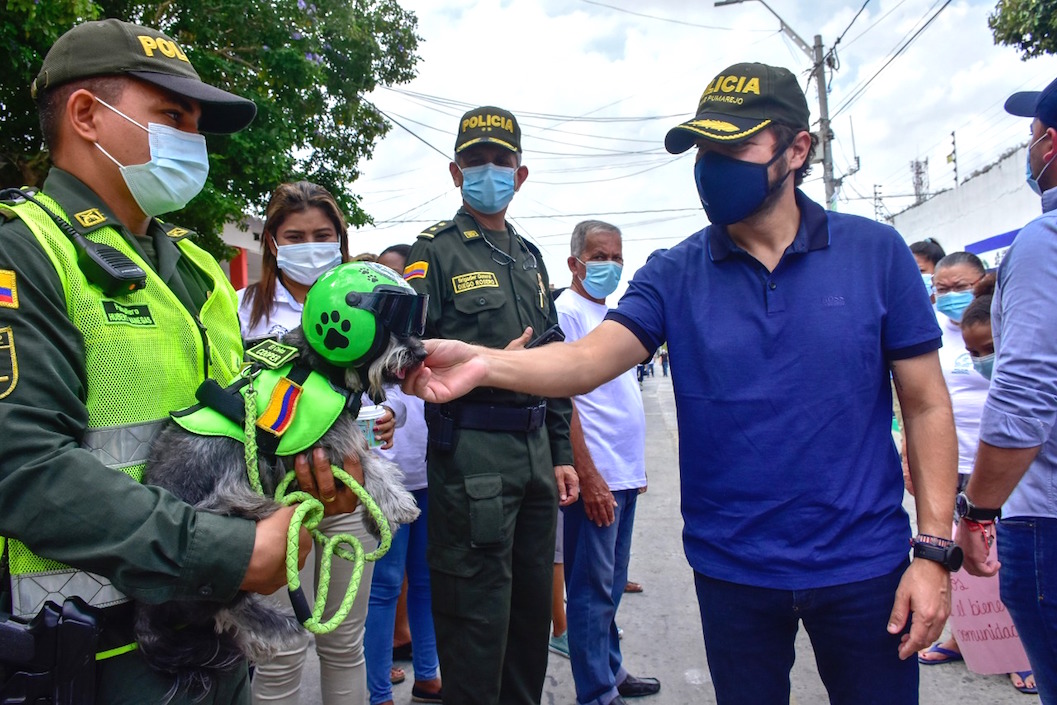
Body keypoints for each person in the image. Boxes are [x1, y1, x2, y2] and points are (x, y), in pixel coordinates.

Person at [403, 62, 960, 705]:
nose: (712, 165)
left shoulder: (876, 253)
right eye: (705, 148)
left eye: (734, 146)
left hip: (866, 567)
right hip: (734, 572)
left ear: (798, 148)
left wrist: (934, 549)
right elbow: (583, 362)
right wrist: (482, 363)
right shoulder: (675, 271)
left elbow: (925, 405)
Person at [0, 19, 361, 703]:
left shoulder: (193, 267)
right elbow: (21, 467)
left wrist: (313, 472)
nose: (192, 142)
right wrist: (229, 555)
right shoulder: (24, 253)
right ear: (85, 115)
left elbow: (242, 426)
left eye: (196, 126)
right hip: (95, 659)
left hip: (219, 640)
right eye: (172, 116)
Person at [402, 105, 578, 705]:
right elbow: (407, 352)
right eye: (475, 161)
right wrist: (482, 360)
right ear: (456, 172)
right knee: (476, 618)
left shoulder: (530, 256)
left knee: (531, 613)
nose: (489, 172)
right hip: (472, 451)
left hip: (532, 450)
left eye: (501, 161)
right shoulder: (437, 251)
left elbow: (553, 356)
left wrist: (560, 451)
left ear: (520, 174)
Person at [238, 182, 391, 704]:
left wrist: (386, 414)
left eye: (322, 235)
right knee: (277, 654)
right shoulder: (243, 312)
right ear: (274, 242)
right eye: (296, 235)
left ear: (340, 240)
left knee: (345, 646)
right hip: (270, 504)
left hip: (349, 496)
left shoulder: (371, 308)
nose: (311, 245)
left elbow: (389, 383)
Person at [956, 76, 1057, 703]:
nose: (1031, 150)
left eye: (1034, 136)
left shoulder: (1044, 245)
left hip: (1047, 518)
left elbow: (1024, 398)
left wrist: (978, 509)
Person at [913, 256, 1034, 693]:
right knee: (954, 558)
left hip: (999, 466)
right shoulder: (936, 333)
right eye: (941, 288)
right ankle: (966, 636)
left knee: (1005, 560)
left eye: (958, 285)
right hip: (953, 463)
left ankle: (1017, 650)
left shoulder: (1003, 325)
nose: (949, 295)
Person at [555, 221, 656, 705]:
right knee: (591, 591)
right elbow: (564, 399)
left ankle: (611, 672)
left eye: (616, 256)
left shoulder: (615, 317)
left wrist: (632, 473)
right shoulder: (566, 312)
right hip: (597, 476)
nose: (610, 265)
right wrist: (589, 474)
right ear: (574, 263)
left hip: (623, 473)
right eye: (599, 256)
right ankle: (595, 691)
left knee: (611, 587)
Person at [363, 243, 443, 705]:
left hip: (428, 476)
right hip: (384, 486)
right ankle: (378, 693)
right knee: (385, 588)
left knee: (427, 580)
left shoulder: (422, 337)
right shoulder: (358, 340)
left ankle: (429, 675)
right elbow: (377, 404)